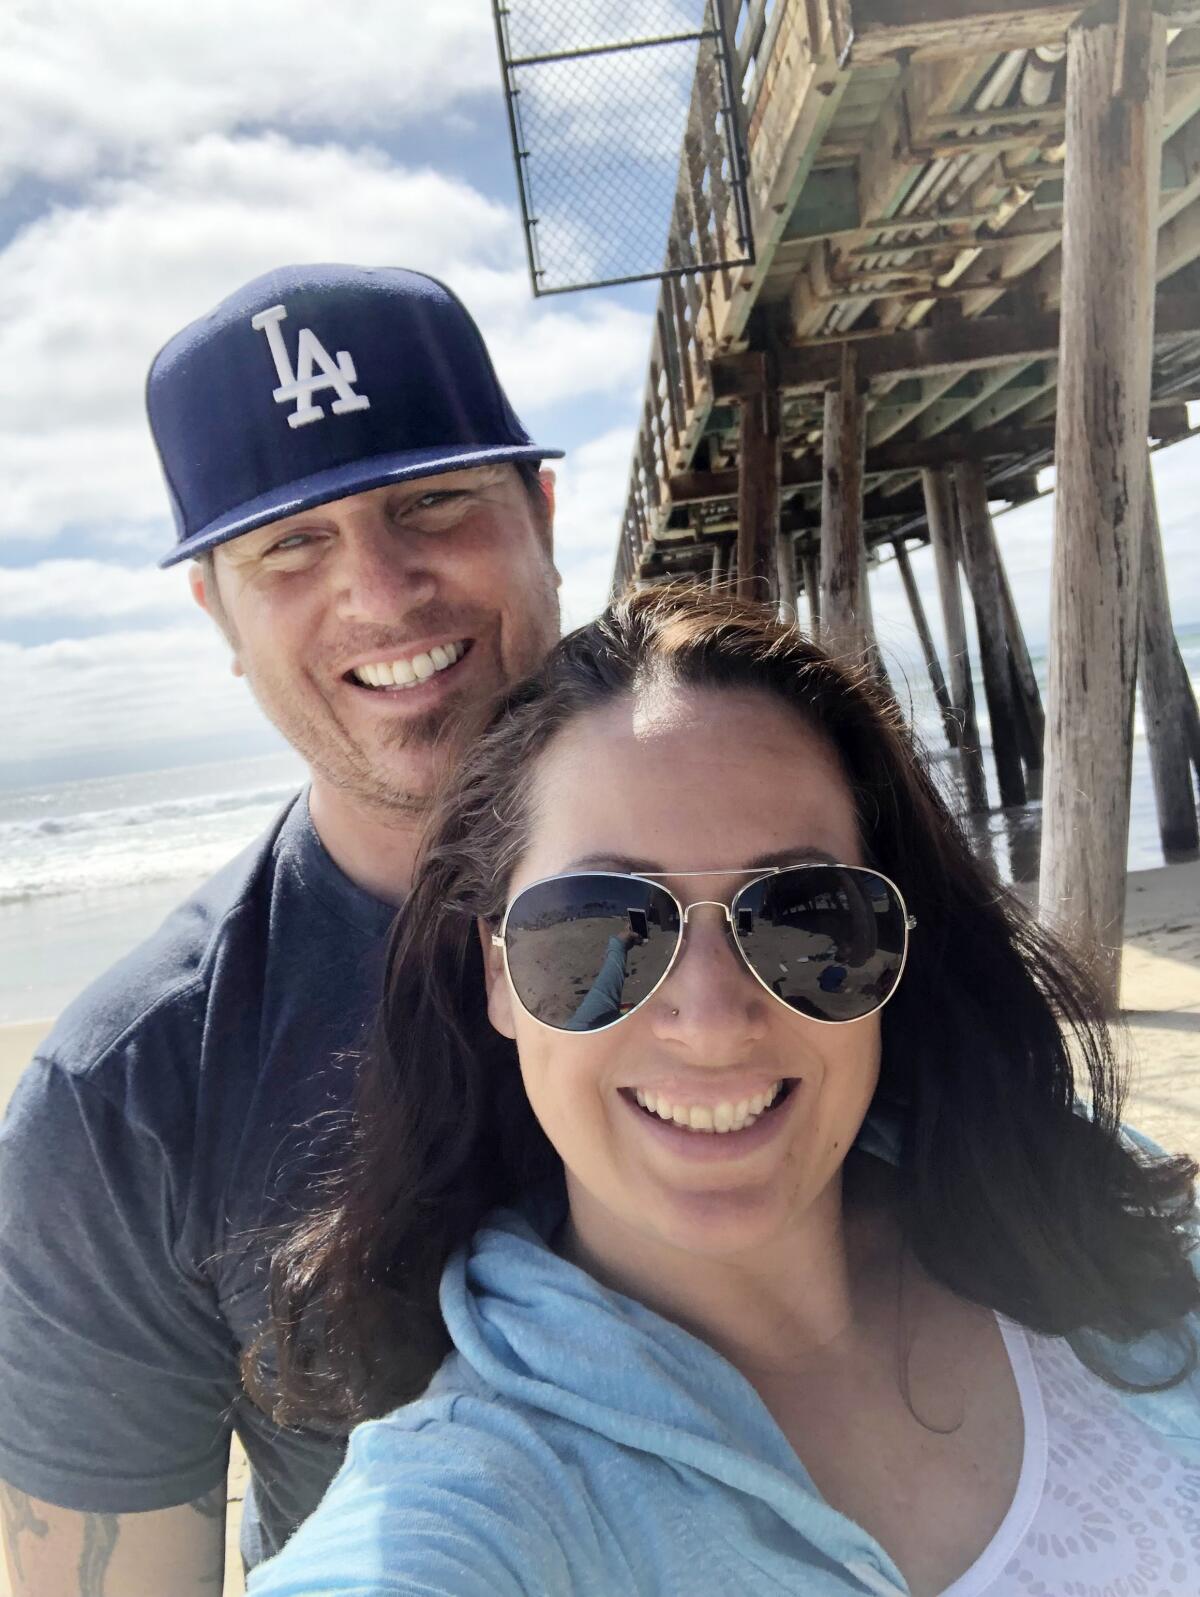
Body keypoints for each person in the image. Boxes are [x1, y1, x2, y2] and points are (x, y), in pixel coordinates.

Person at [249, 585, 1200, 1597]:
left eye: (804, 914)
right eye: (600, 929)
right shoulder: (475, 1504)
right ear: (500, 977)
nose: (710, 1021)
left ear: (894, 941)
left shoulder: (1090, 1199)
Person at [0, 263, 564, 1596]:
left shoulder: (808, 870)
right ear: (219, 612)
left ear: (541, 510)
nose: (380, 591)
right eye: (289, 546)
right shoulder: (126, 1104)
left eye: (432, 500)